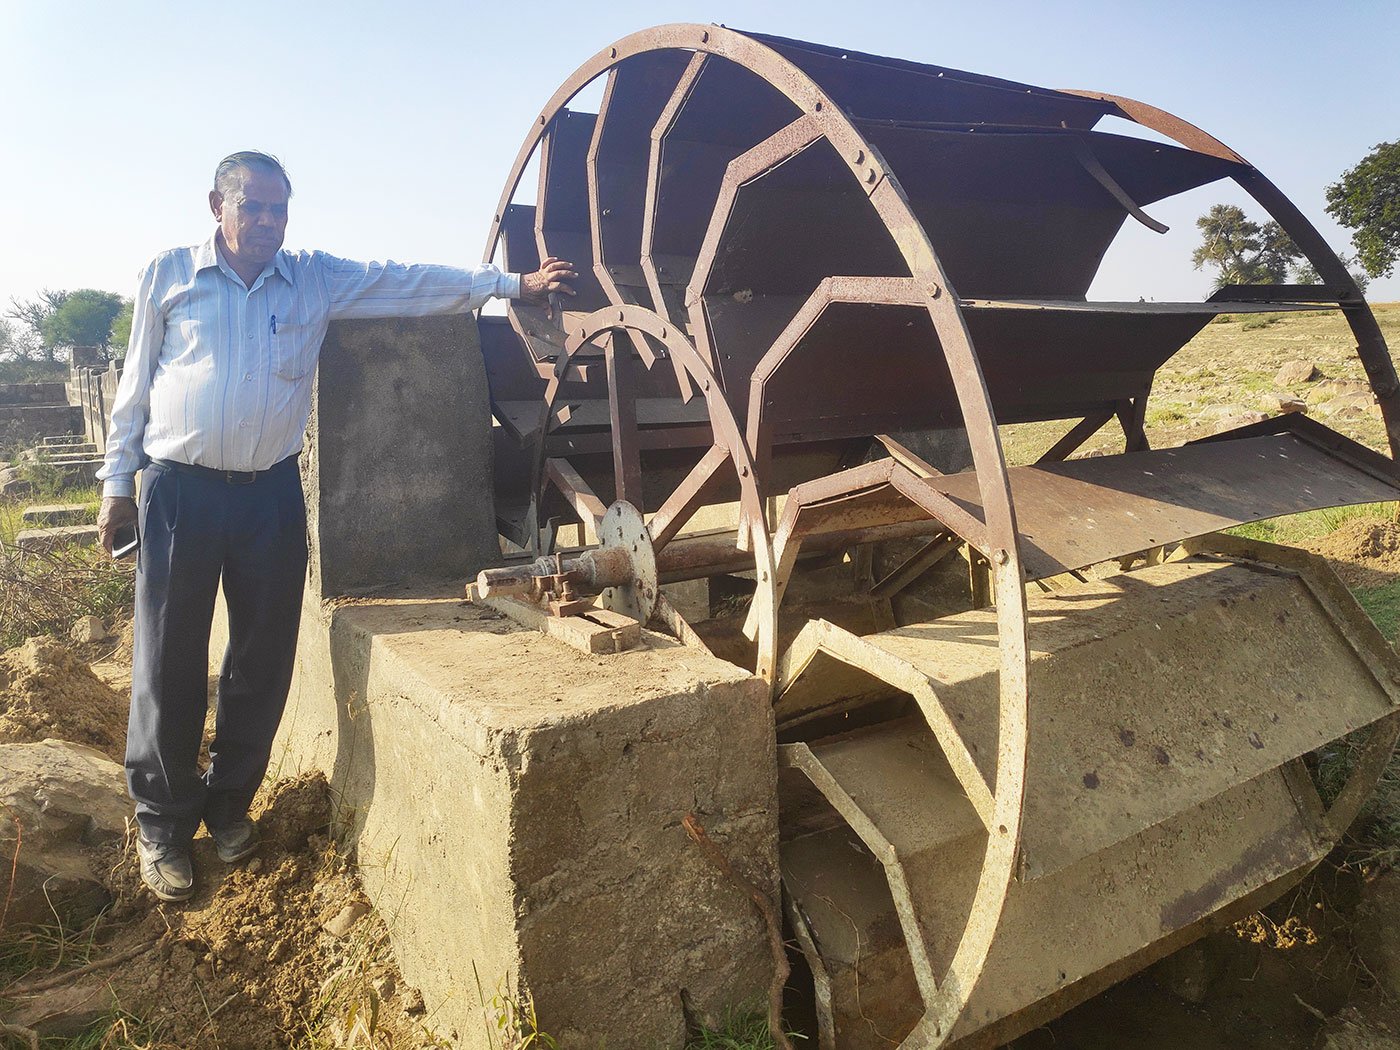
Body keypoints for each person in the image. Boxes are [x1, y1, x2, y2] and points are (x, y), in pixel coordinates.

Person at [96, 150, 575, 902]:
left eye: (279, 209)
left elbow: (407, 281)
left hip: (270, 496)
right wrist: (116, 483)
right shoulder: (171, 275)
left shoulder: (313, 276)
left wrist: (511, 284)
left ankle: (228, 806)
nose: (266, 222)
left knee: (262, 657)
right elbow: (134, 385)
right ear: (215, 206)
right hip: (179, 491)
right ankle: (162, 823)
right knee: (169, 661)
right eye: (251, 206)